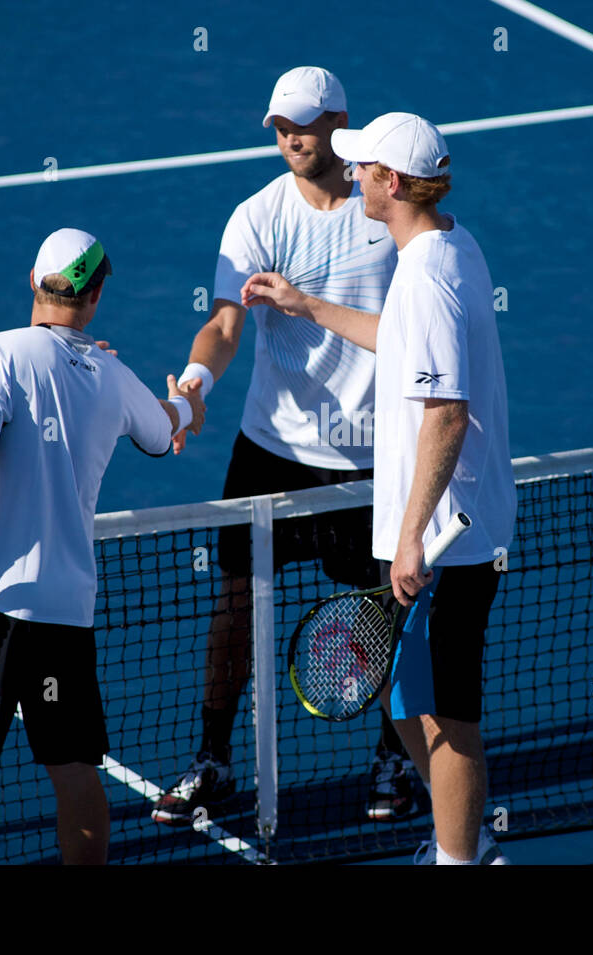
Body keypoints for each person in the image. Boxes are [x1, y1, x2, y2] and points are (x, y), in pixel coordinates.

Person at [241, 112, 516, 864]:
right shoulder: (449, 245)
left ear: (390, 184)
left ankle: (461, 857)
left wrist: (408, 535)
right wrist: (308, 307)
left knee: (446, 715)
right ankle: (466, 836)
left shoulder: (426, 277)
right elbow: (401, 342)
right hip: (451, 532)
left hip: (448, 542)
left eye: (363, 168)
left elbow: (447, 415)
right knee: (403, 701)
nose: (351, 173)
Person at [154, 67, 417, 825]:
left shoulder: (386, 211)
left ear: (340, 120)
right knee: (234, 606)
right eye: (279, 125)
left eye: (304, 123)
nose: (290, 137)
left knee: (389, 609)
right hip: (271, 452)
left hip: (371, 458)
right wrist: (194, 383)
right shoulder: (256, 218)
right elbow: (226, 323)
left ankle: (394, 756)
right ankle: (213, 756)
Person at [0, 229, 205, 865]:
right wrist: (186, 404)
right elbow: (166, 426)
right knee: (71, 768)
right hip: (64, 612)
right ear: (94, 298)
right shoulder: (112, 373)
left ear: (32, 283)